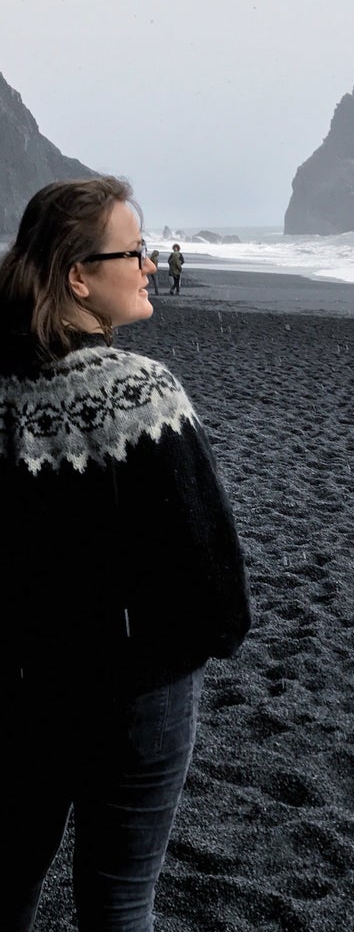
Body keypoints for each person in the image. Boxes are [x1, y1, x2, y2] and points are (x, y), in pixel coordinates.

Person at [0, 177, 251, 931]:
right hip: (135, 698)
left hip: (17, 693)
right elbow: (216, 594)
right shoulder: (140, 395)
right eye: (133, 250)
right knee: (116, 903)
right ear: (79, 274)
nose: (147, 264)